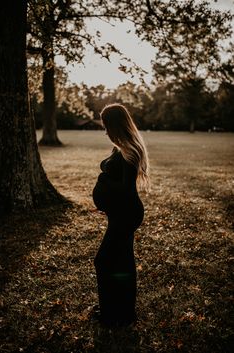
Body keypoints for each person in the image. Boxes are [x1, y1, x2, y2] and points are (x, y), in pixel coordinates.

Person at [92, 103, 150, 327]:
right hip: (120, 214)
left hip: (127, 215)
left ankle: (114, 314)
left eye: (106, 125)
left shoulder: (130, 151)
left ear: (115, 124)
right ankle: (118, 311)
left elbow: (126, 191)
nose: (105, 130)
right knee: (120, 262)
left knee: (104, 260)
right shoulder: (120, 147)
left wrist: (103, 181)